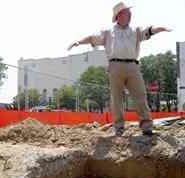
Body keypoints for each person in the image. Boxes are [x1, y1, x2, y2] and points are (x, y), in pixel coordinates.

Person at [68, 2, 171, 136]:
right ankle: (119, 128)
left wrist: (160, 28)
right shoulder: (107, 32)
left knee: (140, 95)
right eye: (127, 12)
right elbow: (93, 38)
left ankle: (146, 126)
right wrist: (78, 42)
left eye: (130, 12)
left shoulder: (136, 30)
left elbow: (149, 30)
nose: (130, 15)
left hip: (133, 66)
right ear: (119, 16)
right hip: (115, 66)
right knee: (116, 98)